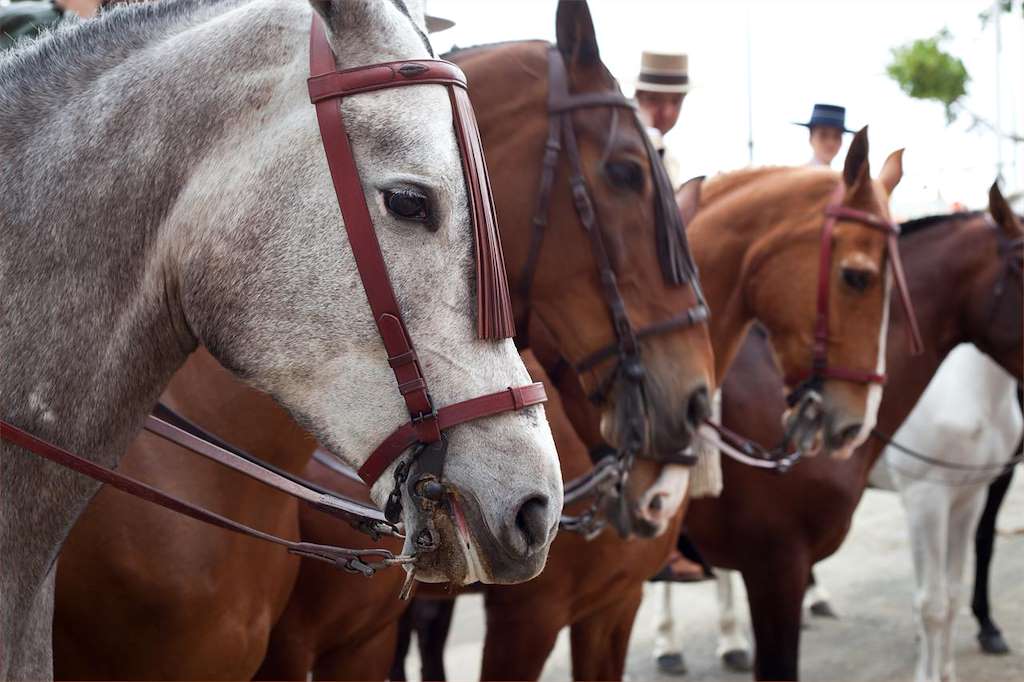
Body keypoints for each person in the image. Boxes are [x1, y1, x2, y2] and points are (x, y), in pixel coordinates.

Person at [634, 50, 689, 188]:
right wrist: (649, 131)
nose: (667, 112)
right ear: (638, 99)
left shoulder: (671, 162)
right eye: (654, 99)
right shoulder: (619, 149)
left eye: (676, 101)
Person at [795, 103, 854, 167]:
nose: (831, 143)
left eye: (836, 136)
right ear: (811, 138)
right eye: (823, 135)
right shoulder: (794, 176)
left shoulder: (843, 176)